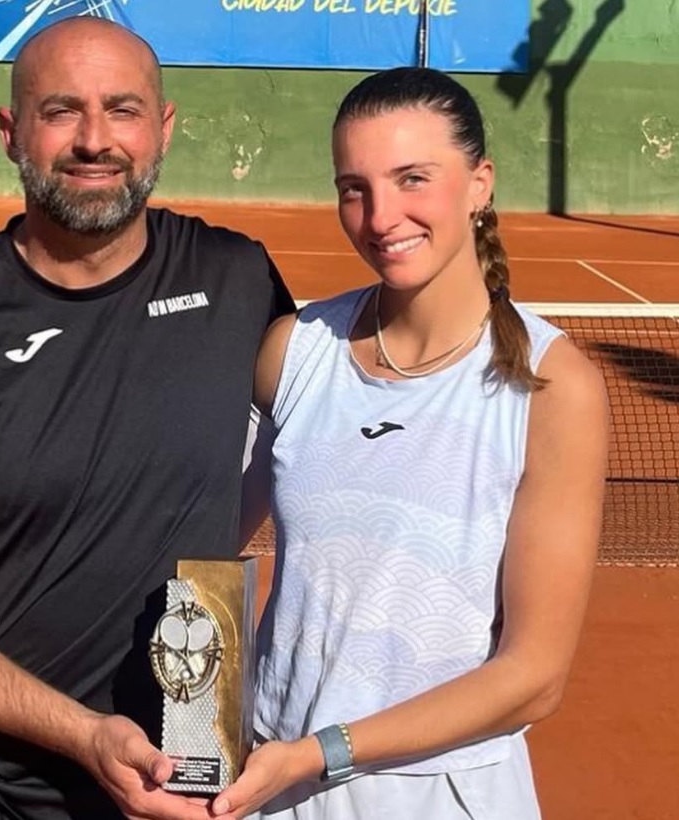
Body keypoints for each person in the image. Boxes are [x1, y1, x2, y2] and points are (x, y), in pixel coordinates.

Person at [0, 16, 293, 820]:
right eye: (60, 111)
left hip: (166, 782)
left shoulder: (237, 280)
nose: (94, 140)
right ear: (11, 132)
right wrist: (80, 734)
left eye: (122, 109)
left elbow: (342, 417)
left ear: (162, 127)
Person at [209, 68, 609, 819]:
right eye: (353, 188)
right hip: (272, 781)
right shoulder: (294, 350)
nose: (380, 215)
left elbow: (534, 675)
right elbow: (200, 539)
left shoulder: (555, 390)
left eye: (412, 179)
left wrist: (322, 750)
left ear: (479, 184)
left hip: (443, 793)